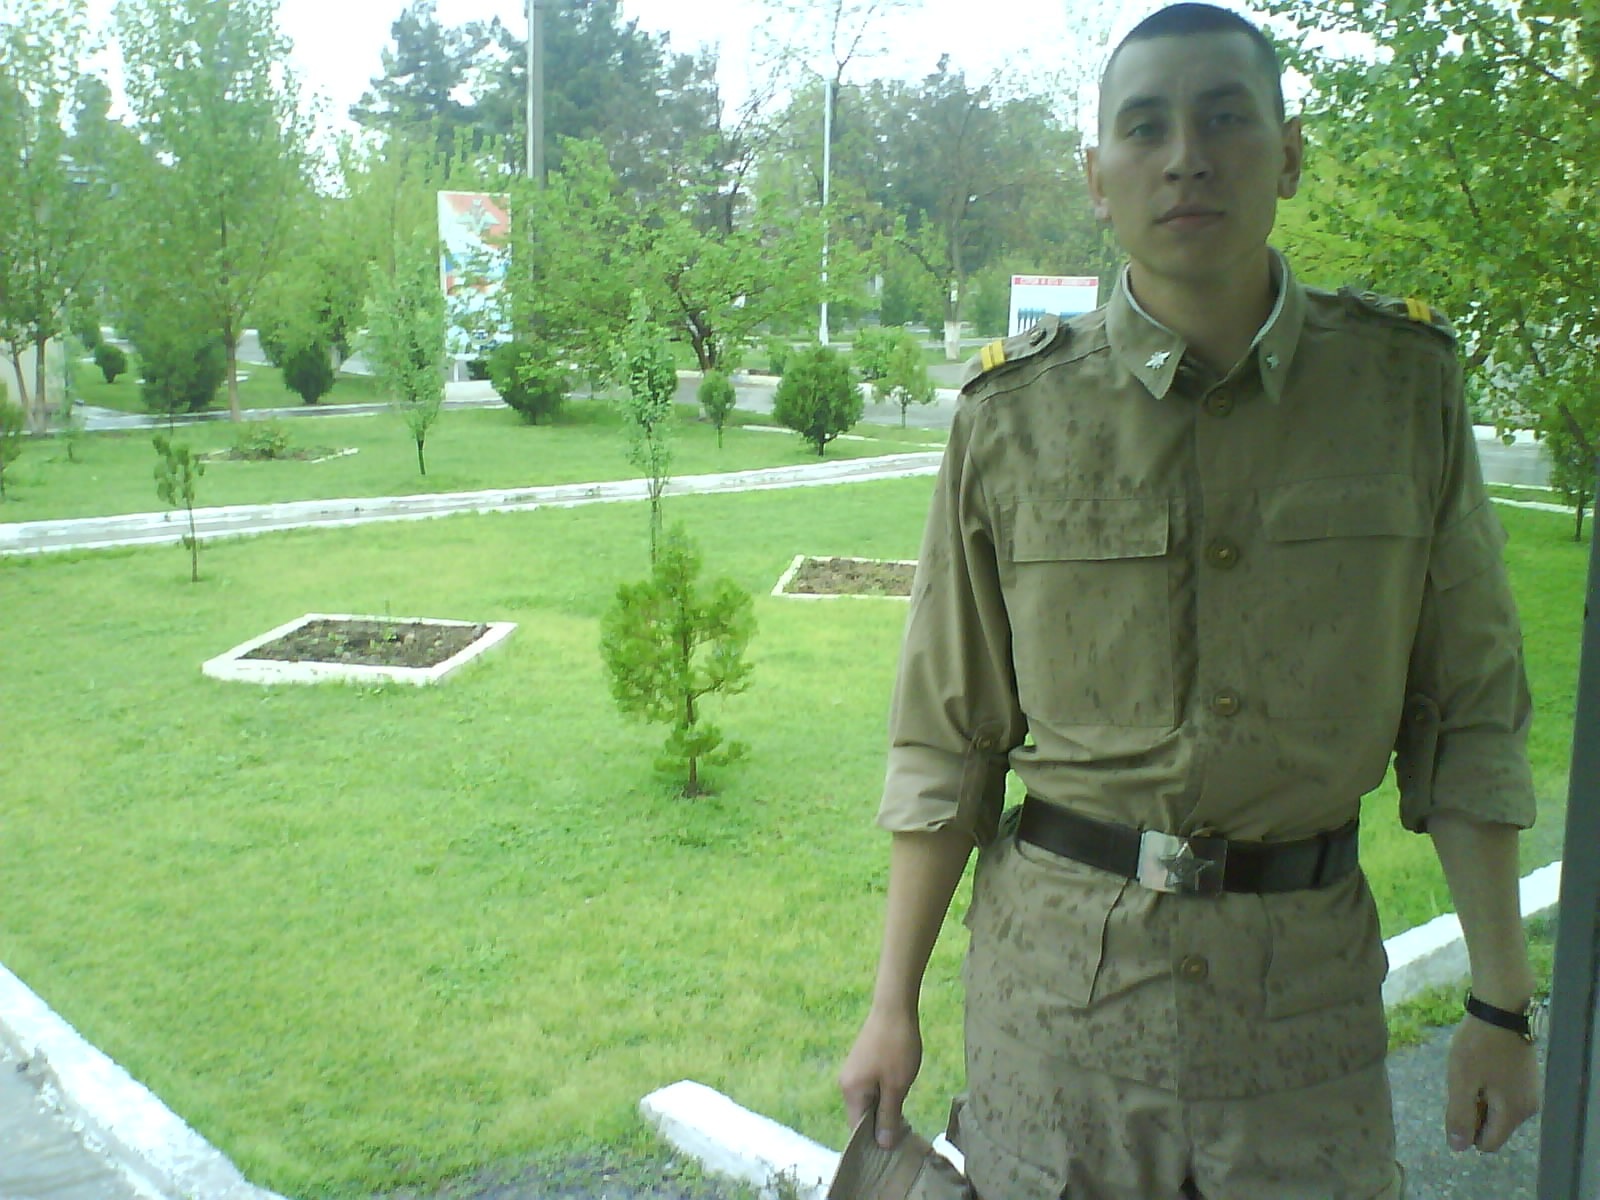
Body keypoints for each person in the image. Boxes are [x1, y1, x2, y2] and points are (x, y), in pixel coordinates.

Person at [836, 5, 1543, 1197]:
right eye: (1144, 128)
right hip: (1055, 1017)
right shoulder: (1013, 418)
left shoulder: (1398, 393)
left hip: (1302, 1025)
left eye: (1224, 119)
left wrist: (1500, 1000)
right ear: (1096, 176)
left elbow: (1466, 713)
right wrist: (889, 1006)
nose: (1185, 158)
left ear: (1289, 152)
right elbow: (949, 738)